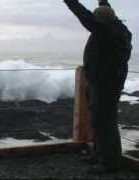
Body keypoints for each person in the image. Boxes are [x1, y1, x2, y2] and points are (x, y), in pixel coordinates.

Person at [63, 0, 132, 173]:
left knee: (105, 124)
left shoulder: (106, 31)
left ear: (101, 22)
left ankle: (110, 163)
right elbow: (106, 11)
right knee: (98, 121)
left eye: (96, 19)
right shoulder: (118, 28)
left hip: (105, 85)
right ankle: (98, 155)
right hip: (100, 82)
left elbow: (83, 14)